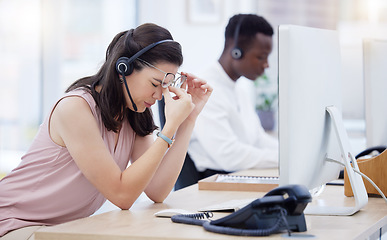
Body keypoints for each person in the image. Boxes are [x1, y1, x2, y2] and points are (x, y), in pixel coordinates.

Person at [0, 23, 212, 239]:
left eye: (166, 86)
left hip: (61, 230)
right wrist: (169, 127)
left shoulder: (133, 114)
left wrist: (187, 121)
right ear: (123, 70)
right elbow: (122, 196)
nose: (159, 95)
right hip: (15, 224)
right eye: (155, 83)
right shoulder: (75, 108)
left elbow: (157, 190)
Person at [186, 14, 278, 186]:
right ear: (236, 52)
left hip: (236, 178)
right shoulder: (204, 90)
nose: (267, 64)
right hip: (212, 184)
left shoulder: (238, 90)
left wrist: (292, 153)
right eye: (261, 57)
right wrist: (284, 158)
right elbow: (228, 155)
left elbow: (258, 139)